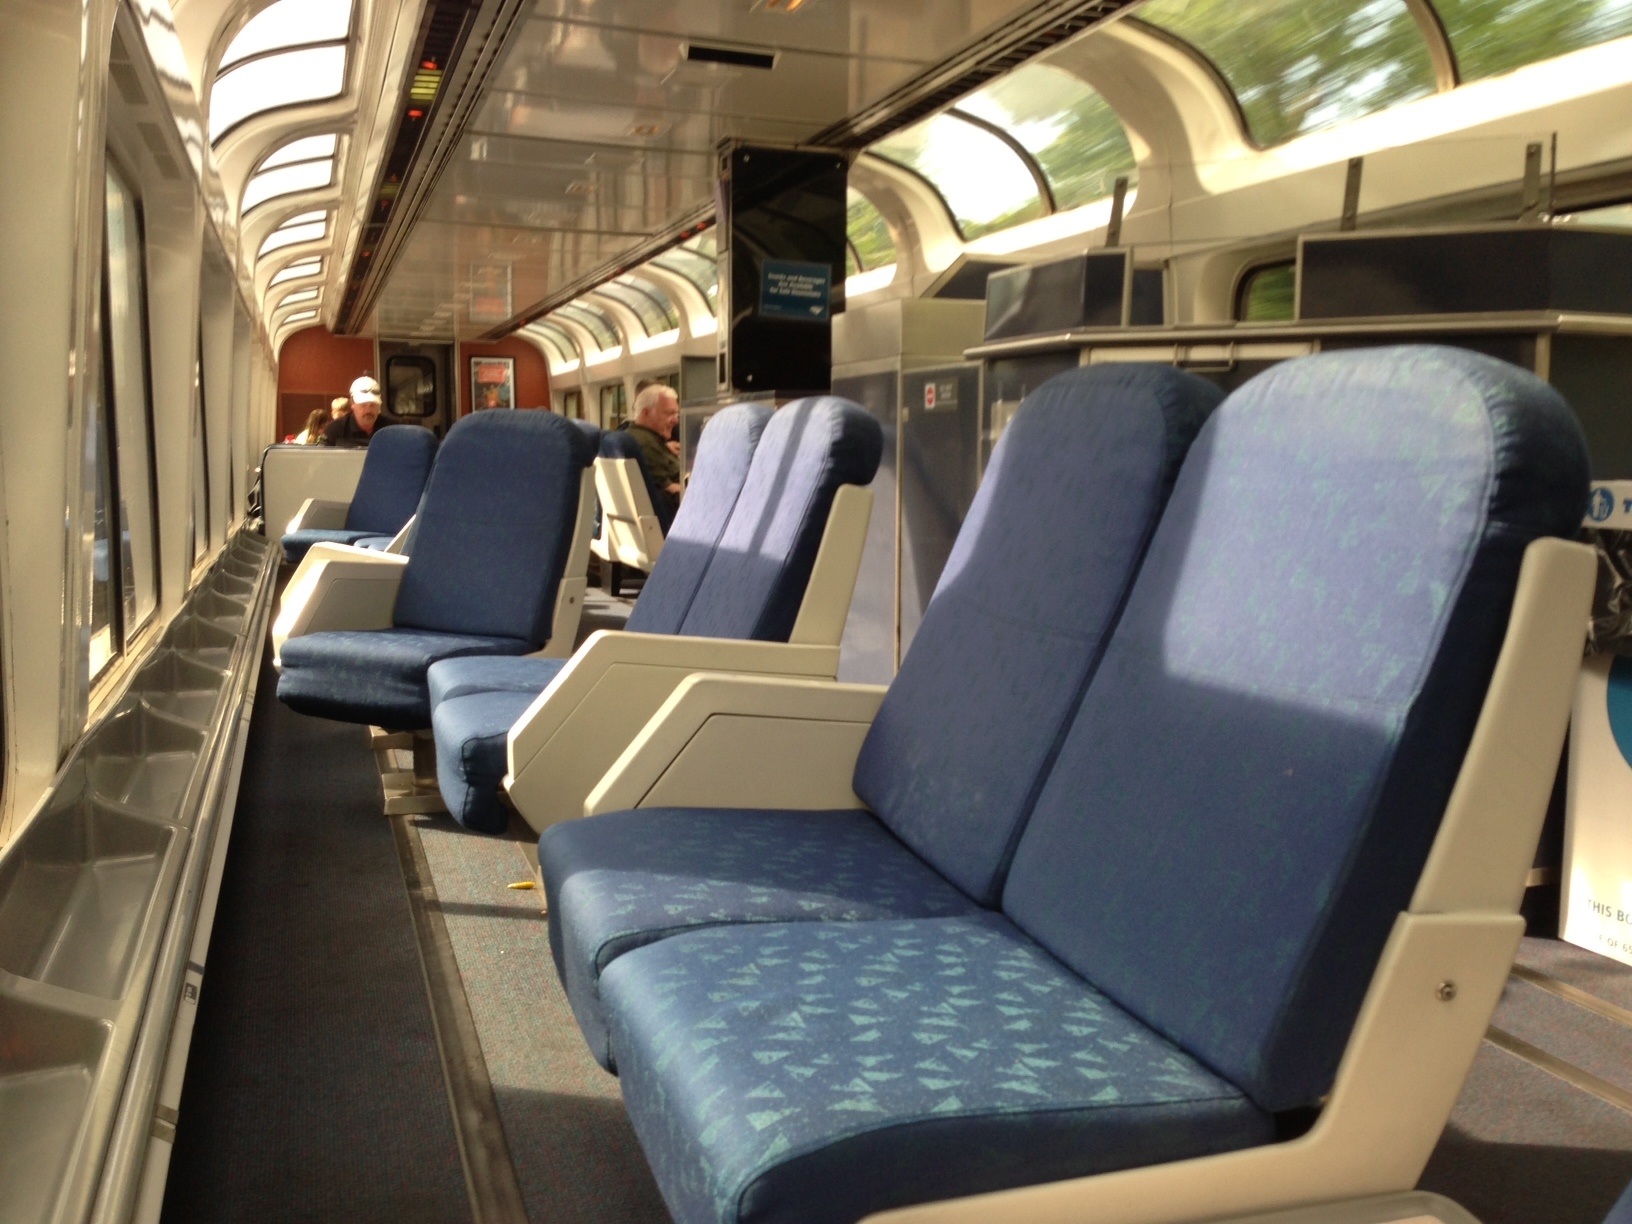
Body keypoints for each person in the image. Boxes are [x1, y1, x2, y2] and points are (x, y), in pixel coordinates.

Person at [620, 383, 682, 524]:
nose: (676, 420)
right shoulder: (647, 444)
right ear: (646, 413)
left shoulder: (637, 436)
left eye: (676, 414)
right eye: (669, 413)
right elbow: (670, 489)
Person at [322, 375, 382, 448]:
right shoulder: (335, 430)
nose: (368, 410)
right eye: (363, 405)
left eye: (373, 405)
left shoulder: (391, 429)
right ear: (352, 403)